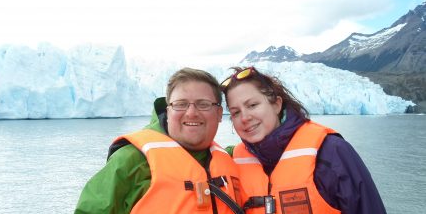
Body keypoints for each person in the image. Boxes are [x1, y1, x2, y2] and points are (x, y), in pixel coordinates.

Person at [75, 67, 244, 214]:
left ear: (220, 114)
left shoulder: (230, 159)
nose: (191, 112)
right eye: (181, 104)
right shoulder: (131, 161)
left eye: (204, 104)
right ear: (168, 111)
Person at [220, 66, 387, 214]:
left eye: (252, 105)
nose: (245, 117)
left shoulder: (331, 151)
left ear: (277, 104)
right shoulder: (233, 161)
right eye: (235, 112)